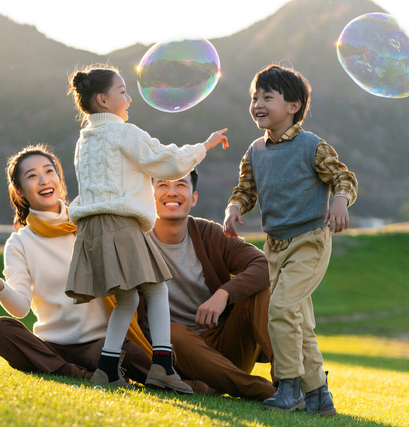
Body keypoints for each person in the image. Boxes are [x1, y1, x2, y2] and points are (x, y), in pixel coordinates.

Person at [65, 63, 228, 393]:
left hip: (92, 230)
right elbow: (166, 163)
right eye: (122, 92)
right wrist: (204, 147)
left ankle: (107, 371)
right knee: (157, 290)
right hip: (120, 225)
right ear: (103, 100)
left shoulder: (85, 141)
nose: (129, 99)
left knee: (128, 301)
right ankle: (163, 367)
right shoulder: (124, 132)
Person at [224, 64, 358, 416]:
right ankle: (319, 397)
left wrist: (341, 201)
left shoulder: (312, 146)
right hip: (275, 247)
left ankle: (288, 387)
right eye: (254, 97)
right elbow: (245, 190)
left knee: (280, 310)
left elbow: (343, 178)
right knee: (300, 321)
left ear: (294, 105)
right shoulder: (254, 150)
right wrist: (234, 208)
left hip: (309, 241)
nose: (257, 103)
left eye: (267, 97)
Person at [0, 144, 151, 384]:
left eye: (49, 172)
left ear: (59, 179)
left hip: (102, 344)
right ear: (19, 191)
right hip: (52, 347)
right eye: (32, 176)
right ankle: (78, 375)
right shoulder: (19, 243)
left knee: (132, 356)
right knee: (0, 331)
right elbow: (19, 309)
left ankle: (83, 371)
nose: (43, 180)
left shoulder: (89, 223)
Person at [146, 169, 276, 401]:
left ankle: (289, 381)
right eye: (163, 185)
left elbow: (264, 264)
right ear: (148, 195)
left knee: (259, 293)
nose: (172, 192)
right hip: (177, 356)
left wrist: (224, 293)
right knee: (170, 333)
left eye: (181, 185)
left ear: (194, 197)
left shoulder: (208, 233)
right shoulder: (136, 242)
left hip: (227, 346)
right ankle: (259, 390)